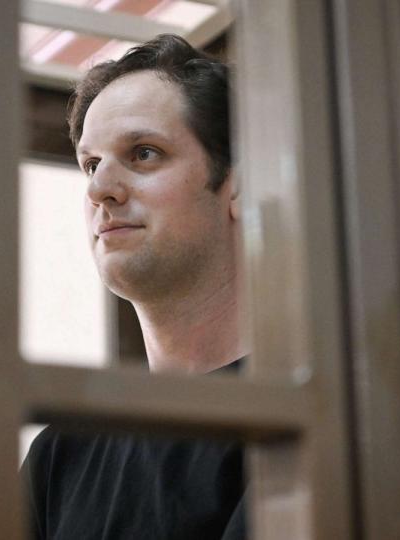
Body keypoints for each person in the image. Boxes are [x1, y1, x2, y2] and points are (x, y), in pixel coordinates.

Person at [22, 34, 248, 539]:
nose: (100, 188)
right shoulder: (60, 453)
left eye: (143, 153)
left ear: (238, 186)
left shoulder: (300, 418)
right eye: (91, 164)